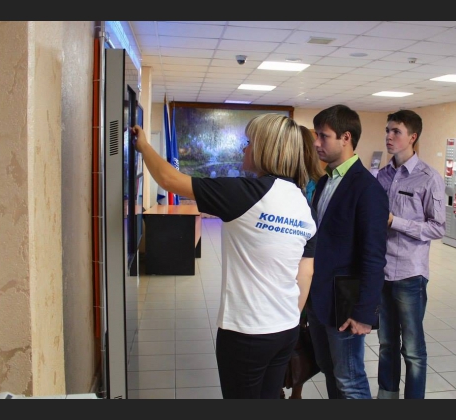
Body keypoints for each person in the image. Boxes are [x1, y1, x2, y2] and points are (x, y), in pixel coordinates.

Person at [130, 113, 318, 399]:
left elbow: (169, 179)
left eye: (249, 142)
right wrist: (288, 318)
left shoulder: (245, 193)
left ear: (265, 149)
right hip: (286, 329)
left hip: (246, 332)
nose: (244, 148)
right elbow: (306, 273)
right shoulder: (303, 203)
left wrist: (143, 145)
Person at [306, 104, 389, 399]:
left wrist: (365, 313)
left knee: (350, 381)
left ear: (346, 138)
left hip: (345, 303)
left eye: (323, 136)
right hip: (318, 298)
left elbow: (374, 256)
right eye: (316, 135)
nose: (317, 143)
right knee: (328, 370)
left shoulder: (367, 189)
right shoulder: (325, 181)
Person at [375, 110, 446, 399]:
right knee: (386, 343)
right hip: (381, 271)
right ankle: (387, 395)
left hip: (410, 274)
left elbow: (438, 227)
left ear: (412, 137)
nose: (389, 137)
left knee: (413, 349)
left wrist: (396, 222)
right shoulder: (382, 175)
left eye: (396, 132)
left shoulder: (428, 178)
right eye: (387, 130)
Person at [281, 125, 325, 400]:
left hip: (306, 266)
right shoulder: (287, 182)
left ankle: (295, 385)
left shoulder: (318, 185)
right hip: (289, 263)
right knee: (287, 327)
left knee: (299, 328)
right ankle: (283, 386)